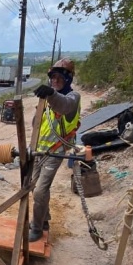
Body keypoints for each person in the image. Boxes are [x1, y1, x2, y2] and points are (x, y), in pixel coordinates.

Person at [29, 58, 81, 242]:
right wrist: (31, 148)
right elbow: (36, 125)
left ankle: (36, 228)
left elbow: (64, 105)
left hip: (55, 151)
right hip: (39, 151)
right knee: (34, 187)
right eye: (53, 77)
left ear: (68, 79)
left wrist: (51, 94)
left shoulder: (73, 98)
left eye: (60, 77)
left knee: (40, 191)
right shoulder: (47, 100)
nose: (56, 80)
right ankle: (44, 220)